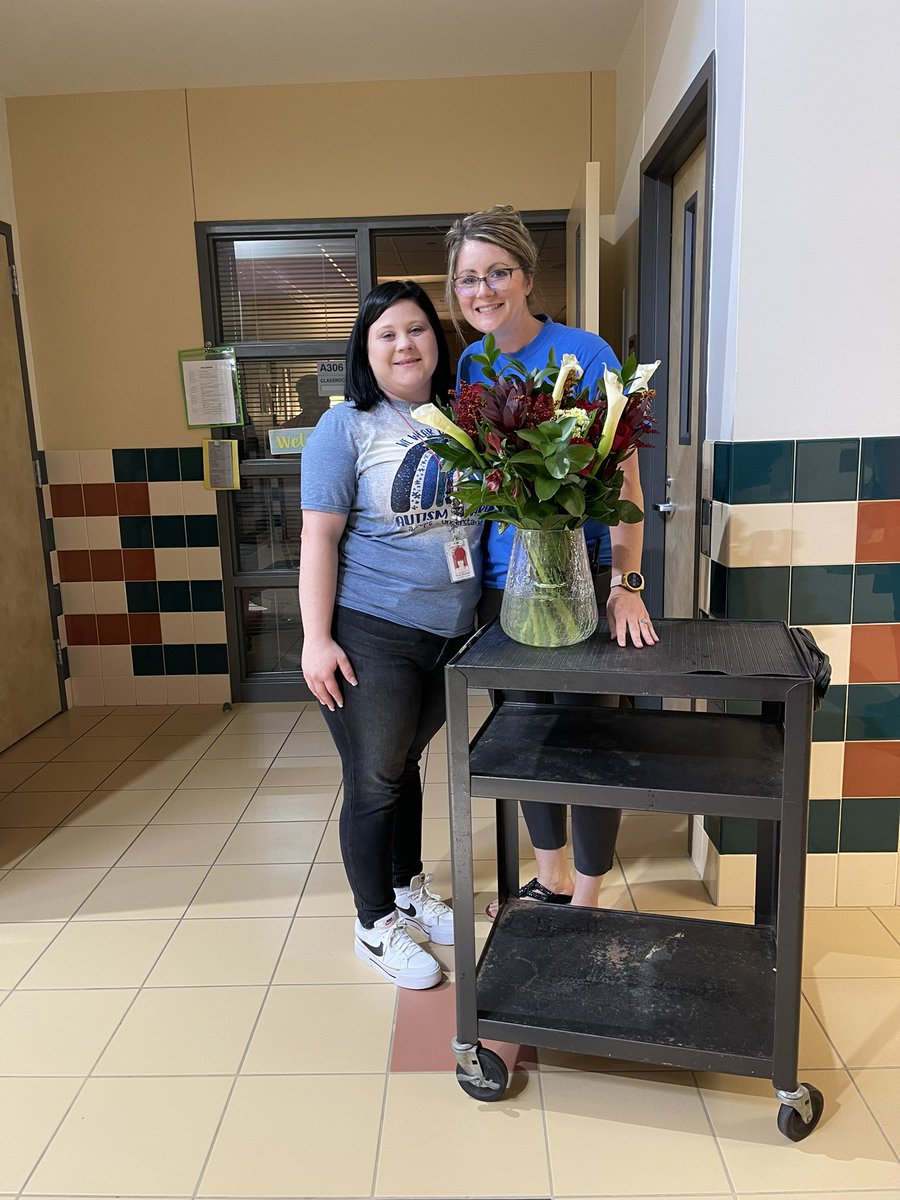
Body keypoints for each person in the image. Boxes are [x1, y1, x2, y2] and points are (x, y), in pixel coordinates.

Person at [445, 204, 659, 913]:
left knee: (589, 740)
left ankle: (590, 899)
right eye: (468, 278)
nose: (482, 290)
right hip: (512, 584)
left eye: (496, 272)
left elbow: (623, 475)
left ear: (527, 276)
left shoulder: (586, 354)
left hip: (584, 580)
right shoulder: (472, 365)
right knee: (530, 737)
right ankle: (553, 877)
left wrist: (626, 583)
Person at [299, 280, 481, 989]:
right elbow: (319, 538)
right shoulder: (343, 429)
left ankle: (407, 889)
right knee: (374, 778)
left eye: (417, 330)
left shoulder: (456, 421)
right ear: (366, 351)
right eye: (387, 334)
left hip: (447, 634)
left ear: (437, 341)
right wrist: (317, 639)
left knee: (404, 766)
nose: (405, 344)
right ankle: (374, 923)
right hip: (373, 631)